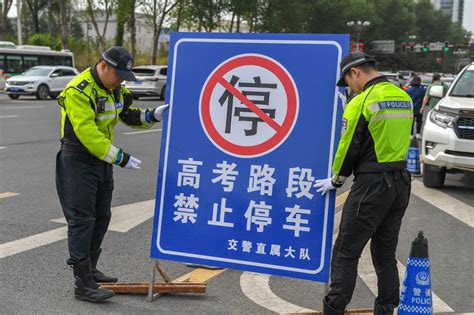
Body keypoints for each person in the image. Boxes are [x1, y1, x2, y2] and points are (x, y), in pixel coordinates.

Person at [55, 46, 168, 302]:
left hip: (101, 161)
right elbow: (87, 134)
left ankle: (91, 270)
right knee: (82, 220)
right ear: (103, 66)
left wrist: (152, 115)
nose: (121, 81)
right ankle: (82, 284)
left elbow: (128, 114)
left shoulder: (115, 88)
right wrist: (120, 158)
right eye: (118, 75)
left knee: (102, 216)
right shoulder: (78, 90)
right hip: (78, 160)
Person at [314, 52, 413, 315]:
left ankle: (334, 309)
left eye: (347, 80)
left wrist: (336, 179)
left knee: (346, 251)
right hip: (401, 183)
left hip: (372, 186)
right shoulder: (403, 97)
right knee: (385, 254)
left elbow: (348, 146)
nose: (348, 87)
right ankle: (385, 310)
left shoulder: (362, 101)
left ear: (355, 72)